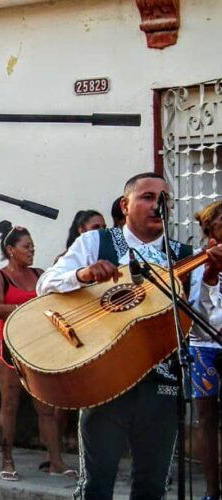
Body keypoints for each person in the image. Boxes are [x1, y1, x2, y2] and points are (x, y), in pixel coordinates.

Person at [37, 172, 222, 499]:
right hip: (104, 378)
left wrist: (208, 277)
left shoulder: (182, 254)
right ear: (126, 205)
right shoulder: (96, 242)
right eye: (147, 197)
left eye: (163, 200)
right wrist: (82, 274)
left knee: (152, 487)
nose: (156, 205)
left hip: (162, 382)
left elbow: (199, 318)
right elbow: (46, 283)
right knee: (96, 485)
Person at [0, 221, 74, 481]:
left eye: (33, 246)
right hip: (9, 347)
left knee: (45, 407)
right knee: (10, 404)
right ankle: (7, 460)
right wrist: (26, 310)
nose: (32, 250)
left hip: (38, 346)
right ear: (11, 250)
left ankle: (56, 461)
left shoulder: (39, 274)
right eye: (26, 246)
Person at [191, 199, 222, 500]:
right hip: (205, 345)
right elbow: (196, 309)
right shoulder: (199, 261)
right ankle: (213, 491)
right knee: (206, 419)